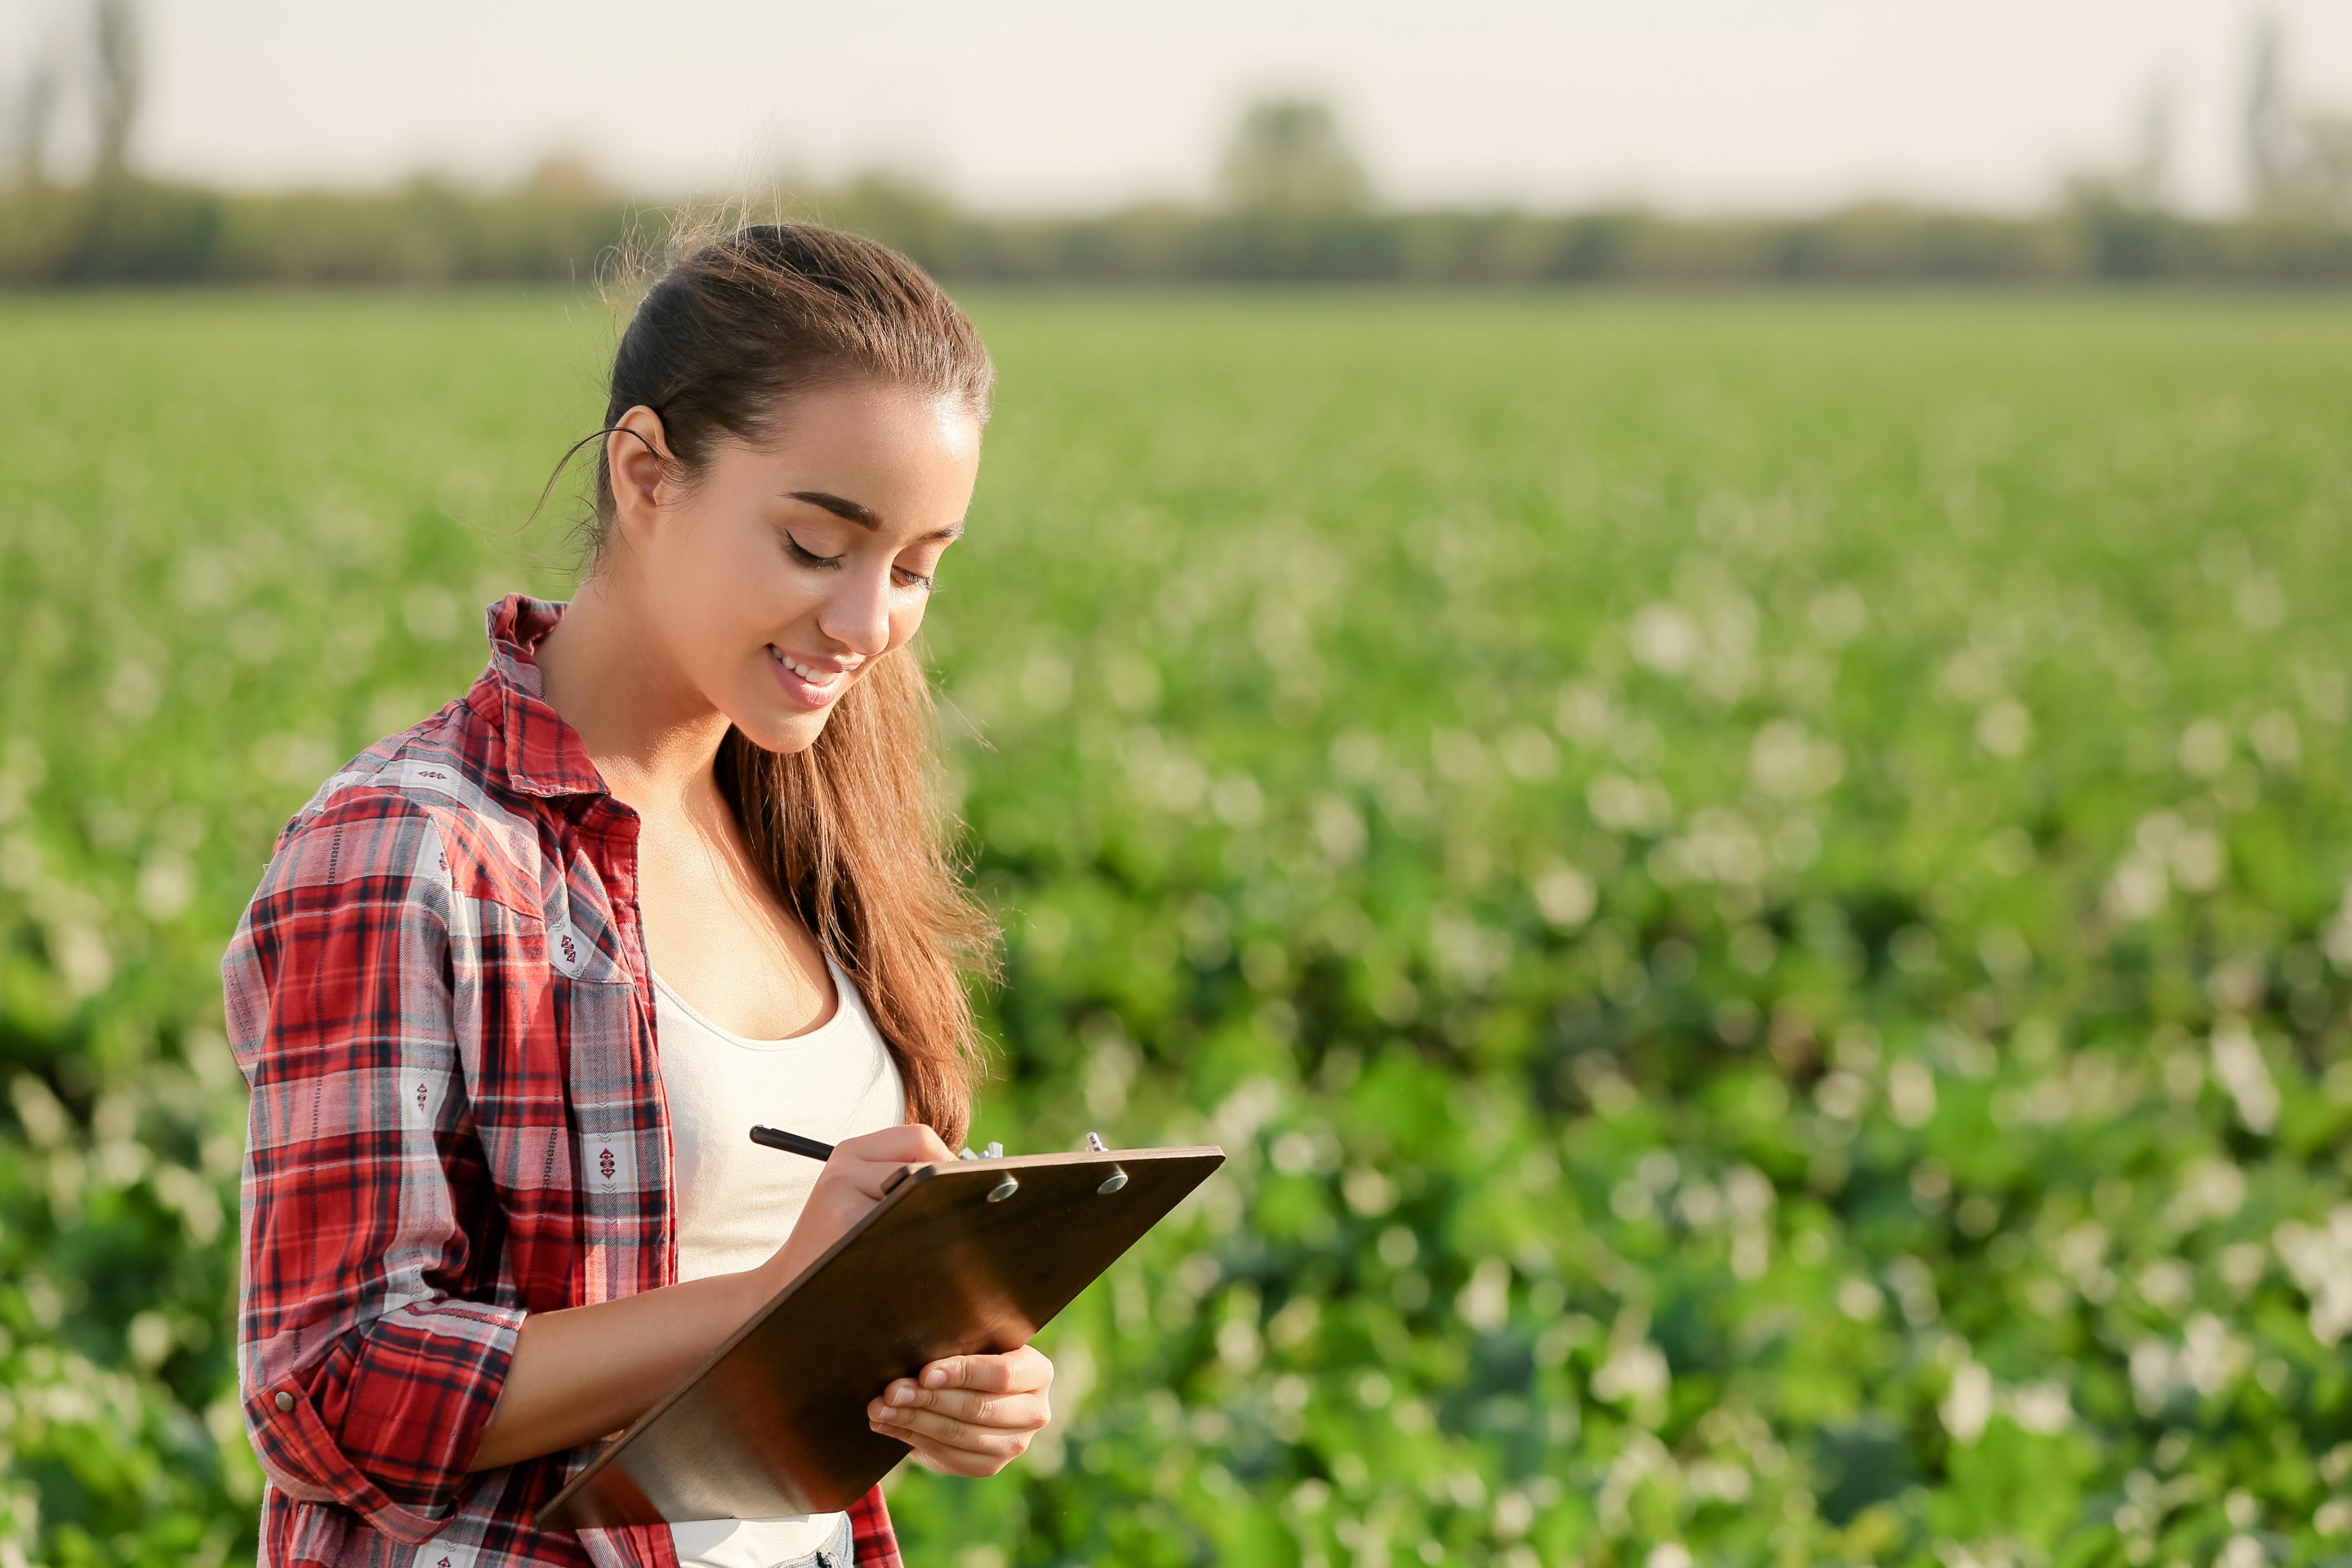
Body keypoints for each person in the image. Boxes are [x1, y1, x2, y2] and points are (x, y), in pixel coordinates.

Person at [221, 220, 1054, 1568]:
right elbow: (329, 1390)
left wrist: (947, 1372)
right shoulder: (408, 852)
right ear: (647, 472)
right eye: (813, 544)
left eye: (912, 568)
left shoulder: (812, 831)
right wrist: (777, 1297)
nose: (866, 623)